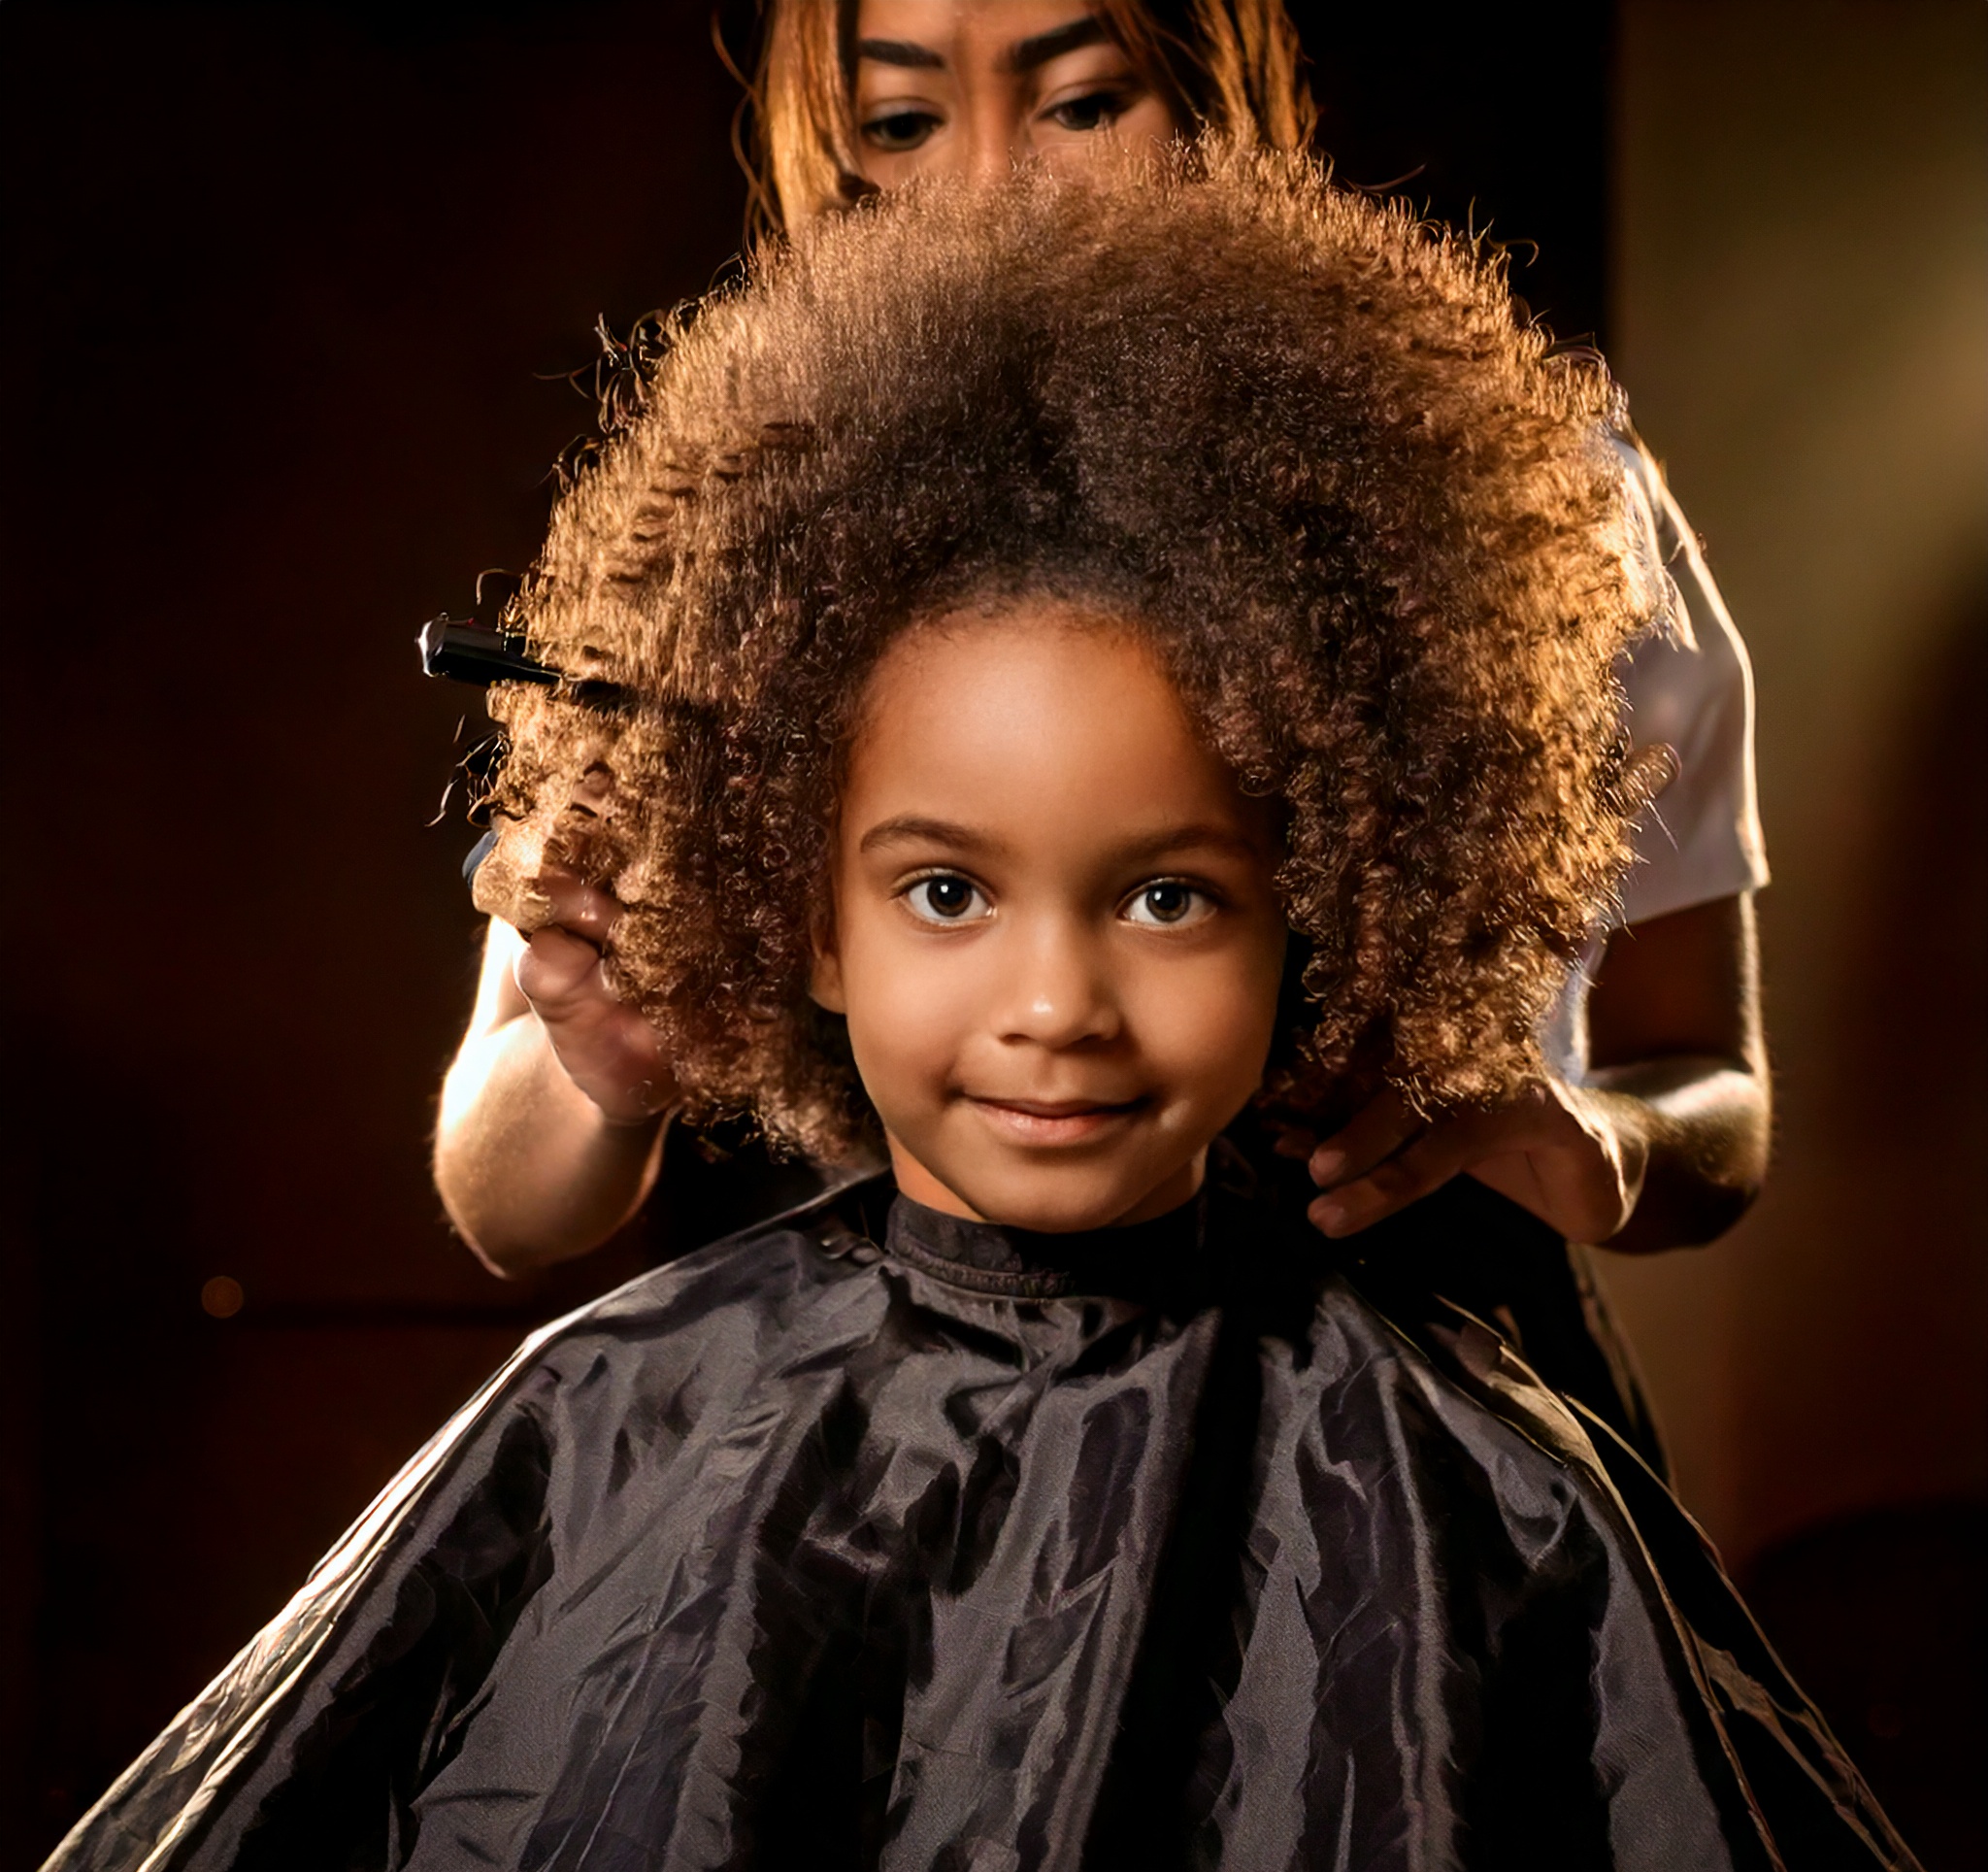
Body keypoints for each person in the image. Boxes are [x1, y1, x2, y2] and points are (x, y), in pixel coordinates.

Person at [5, 147, 1973, 1872]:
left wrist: (1599, 1145)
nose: (1056, 1004)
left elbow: (1699, 1105)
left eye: (1170, 901)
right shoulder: (623, 1411)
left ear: (1341, 897)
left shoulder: (1479, 1503)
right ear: (797, 908)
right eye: (948, 890)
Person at [433, 0, 1769, 1478]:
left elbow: (1708, 1086)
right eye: (900, 121)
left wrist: (1604, 1145)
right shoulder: (752, 520)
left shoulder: (1520, 510)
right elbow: (507, 1198)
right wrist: (601, 1077)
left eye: (1080, 102)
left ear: (1221, 94)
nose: (992, 179)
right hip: (888, 1449)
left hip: (1412, 1439)